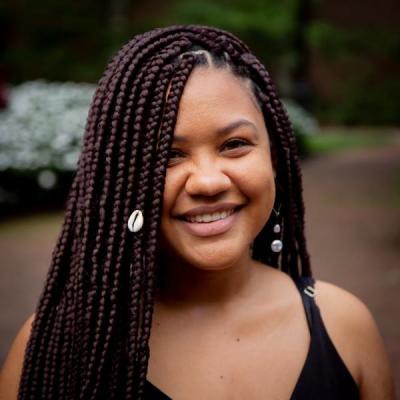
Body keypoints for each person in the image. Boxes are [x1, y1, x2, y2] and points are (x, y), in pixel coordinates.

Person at [0, 25, 395, 400]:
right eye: (168, 155)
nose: (208, 182)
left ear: (273, 158)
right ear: (119, 179)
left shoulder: (345, 327)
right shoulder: (55, 352)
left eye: (235, 144)